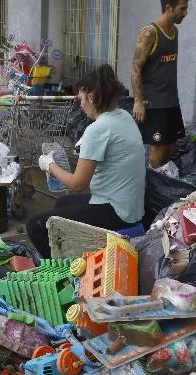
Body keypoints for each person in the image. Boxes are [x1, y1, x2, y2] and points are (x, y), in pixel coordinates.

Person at [26, 65, 145, 259]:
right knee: (63, 204)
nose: (80, 105)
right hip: (131, 206)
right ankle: (74, 254)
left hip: (115, 211)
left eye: (81, 99)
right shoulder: (123, 116)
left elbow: (78, 184)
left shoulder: (97, 130)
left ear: (91, 97)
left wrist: (49, 165)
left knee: (36, 225)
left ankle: (64, 273)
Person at [131, 0, 191, 168]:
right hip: (154, 102)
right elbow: (135, 68)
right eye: (182, 8)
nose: (186, 13)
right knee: (157, 150)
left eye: (186, 8)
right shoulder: (150, 33)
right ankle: (150, 188)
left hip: (171, 100)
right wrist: (139, 101)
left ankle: (161, 183)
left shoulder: (174, 31)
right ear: (168, 7)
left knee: (171, 146)